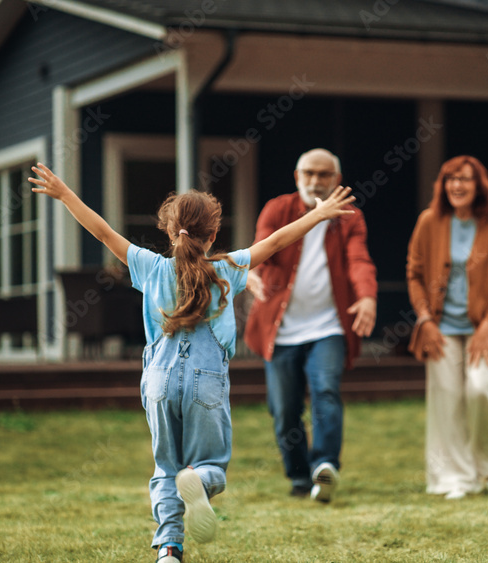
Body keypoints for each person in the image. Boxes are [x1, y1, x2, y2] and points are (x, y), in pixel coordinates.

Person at [29, 163, 356, 563]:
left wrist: (64, 195)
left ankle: (169, 549)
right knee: (210, 465)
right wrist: (317, 214)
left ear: (169, 231)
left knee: (165, 468)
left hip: (159, 380)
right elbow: (275, 242)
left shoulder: (150, 267)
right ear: (213, 234)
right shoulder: (227, 269)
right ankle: (200, 481)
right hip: (206, 380)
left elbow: (102, 232)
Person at [244, 148, 378, 503]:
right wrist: (252, 274)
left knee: (326, 391)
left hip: (328, 327)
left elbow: (359, 260)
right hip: (280, 329)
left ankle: (326, 465)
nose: (316, 181)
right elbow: (263, 246)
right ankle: (301, 477)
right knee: (284, 409)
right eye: (309, 173)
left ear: (336, 180)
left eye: (324, 175)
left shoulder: (350, 217)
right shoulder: (277, 208)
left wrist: (366, 296)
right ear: (297, 176)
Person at [406, 155, 488, 500]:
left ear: (478, 185)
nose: (457, 185)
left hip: (483, 329)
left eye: (465, 179)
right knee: (449, 400)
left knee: (480, 391)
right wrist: (425, 320)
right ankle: (455, 478)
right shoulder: (429, 221)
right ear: (442, 185)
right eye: (451, 179)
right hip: (440, 328)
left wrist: (487, 326)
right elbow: (414, 274)